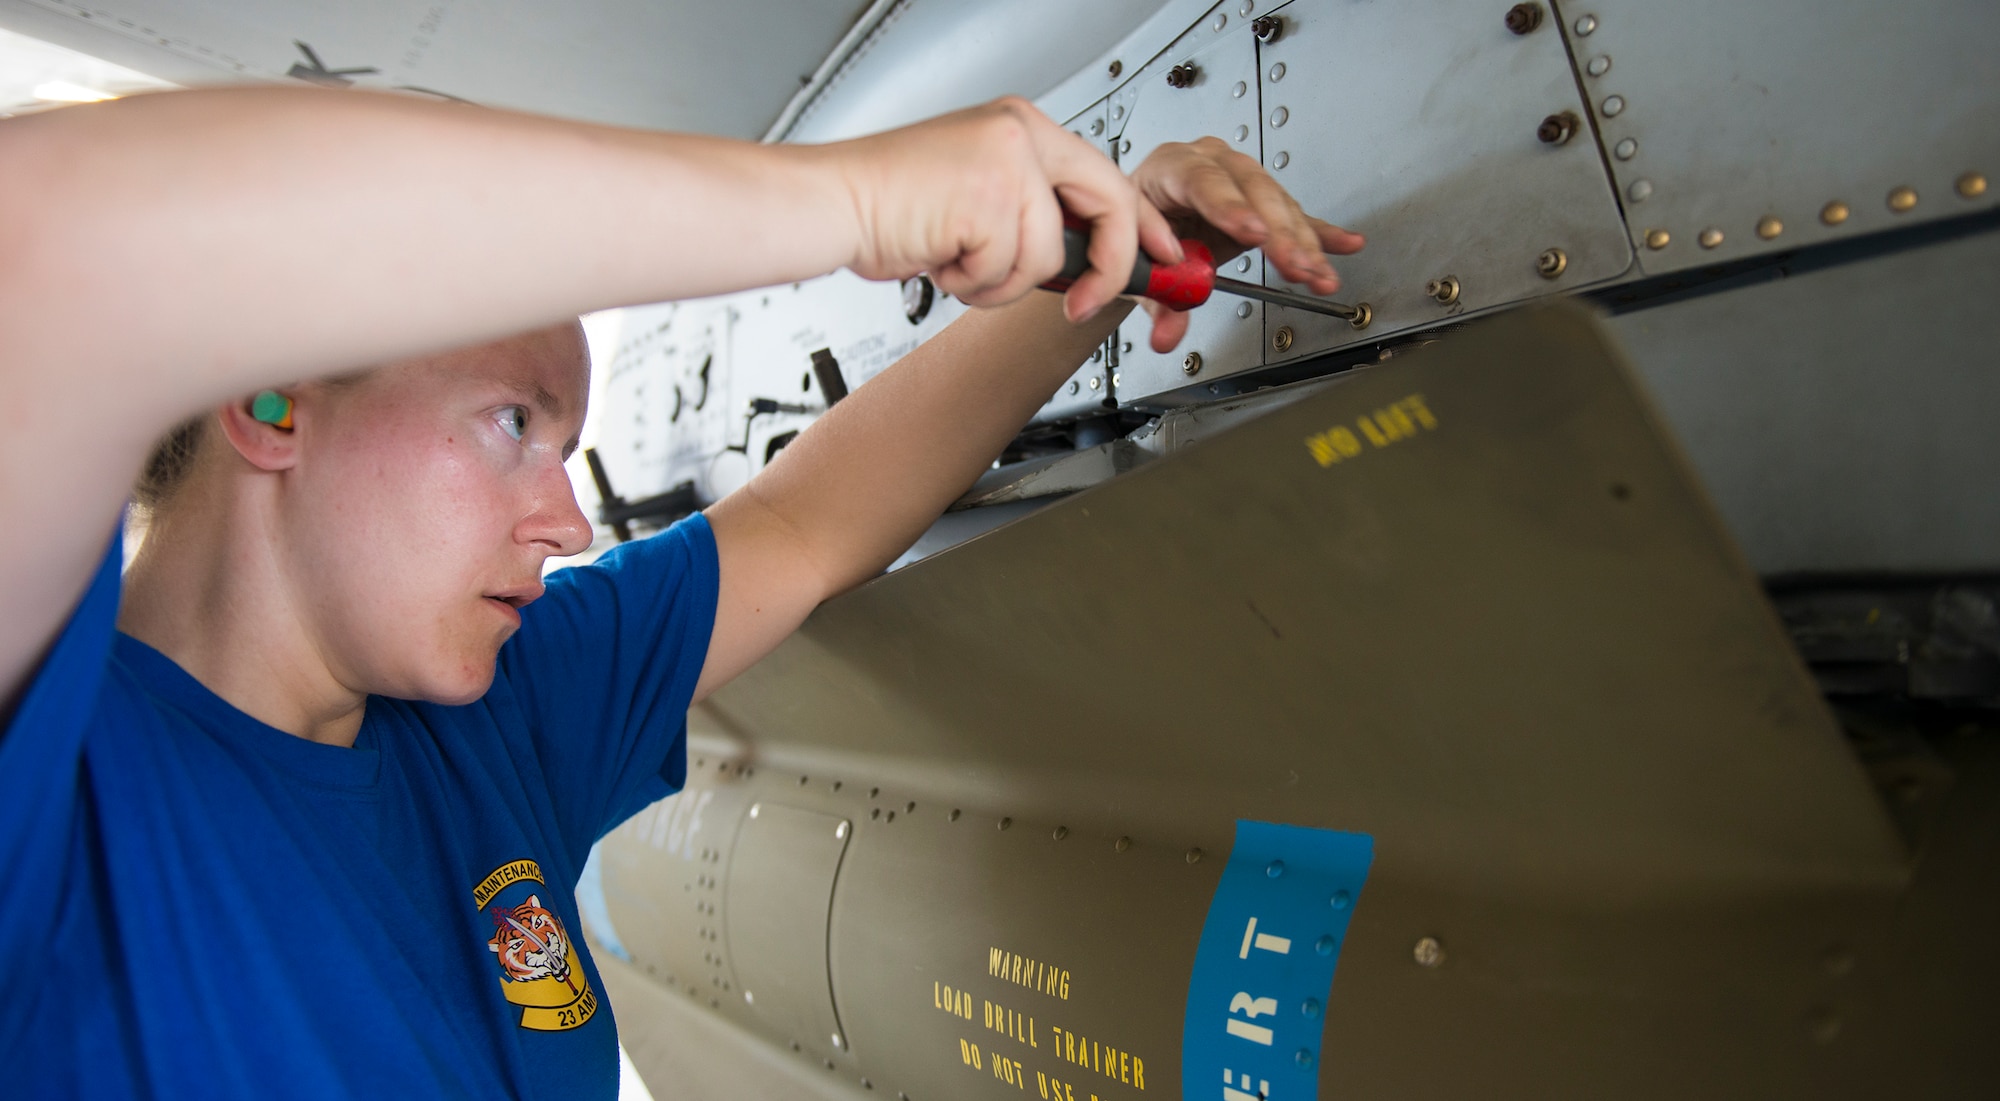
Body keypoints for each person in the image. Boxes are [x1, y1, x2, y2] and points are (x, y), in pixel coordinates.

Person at [0, 84, 1361, 1096]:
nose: (568, 516)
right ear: (274, 396)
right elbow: (45, 233)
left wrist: (1117, 259)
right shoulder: (58, 780)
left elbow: (811, 518)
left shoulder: (492, 709)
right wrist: (858, 200)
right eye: (509, 424)